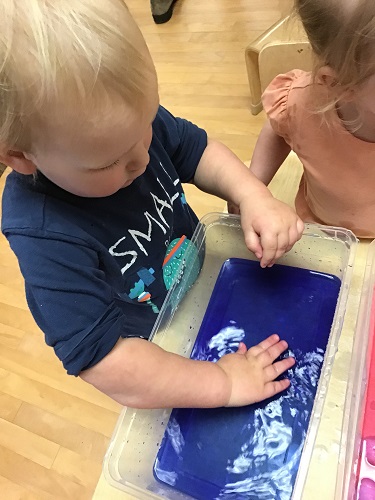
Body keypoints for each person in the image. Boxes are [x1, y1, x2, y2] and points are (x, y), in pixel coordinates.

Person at [0, 0, 302, 410]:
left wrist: (253, 194)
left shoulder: (121, 131)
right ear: (20, 156)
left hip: (205, 281)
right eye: (110, 162)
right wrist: (223, 384)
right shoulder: (43, 233)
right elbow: (106, 361)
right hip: (157, 346)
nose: (143, 159)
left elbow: (196, 149)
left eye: (145, 126)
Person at [247, 0, 375, 238]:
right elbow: (277, 129)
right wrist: (253, 188)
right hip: (321, 234)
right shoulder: (301, 105)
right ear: (339, 84)